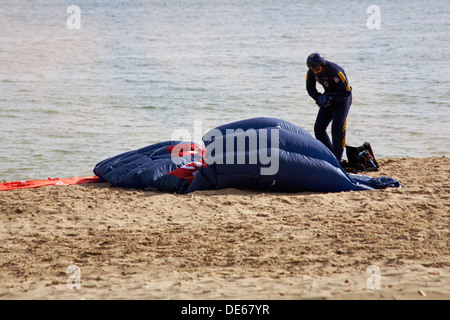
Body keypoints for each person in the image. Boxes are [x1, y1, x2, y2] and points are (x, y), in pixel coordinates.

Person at [306, 53, 352, 162]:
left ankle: (337, 160)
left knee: (337, 130)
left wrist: (332, 98)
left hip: (342, 99)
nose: (315, 71)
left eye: (317, 69)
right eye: (313, 69)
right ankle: (328, 155)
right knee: (319, 128)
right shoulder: (311, 72)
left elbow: (346, 92)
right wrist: (319, 98)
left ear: (323, 65)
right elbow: (310, 89)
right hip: (327, 97)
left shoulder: (336, 71)